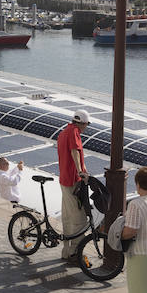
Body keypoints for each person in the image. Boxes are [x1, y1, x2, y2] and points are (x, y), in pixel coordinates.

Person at [56, 110, 90, 262]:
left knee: (67, 217)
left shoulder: (64, 132)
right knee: (79, 219)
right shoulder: (74, 132)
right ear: (82, 123)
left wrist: (83, 167)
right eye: (86, 125)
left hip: (64, 180)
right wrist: (80, 171)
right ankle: (75, 253)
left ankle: (66, 250)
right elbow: (74, 151)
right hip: (72, 181)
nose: (86, 128)